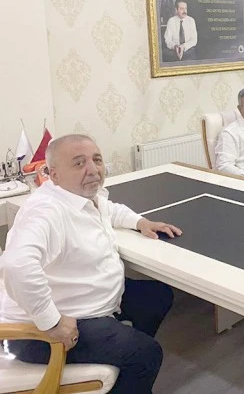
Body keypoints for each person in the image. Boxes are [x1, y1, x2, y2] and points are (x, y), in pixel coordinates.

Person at [1, 134, 182, 394]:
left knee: (157, 297)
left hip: (94, 304)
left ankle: (120, 366)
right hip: (44, 332)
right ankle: (130, 362)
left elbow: (111, 209)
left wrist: (141, 222)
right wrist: (52, 322)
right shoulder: (46, 211)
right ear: (54, 175)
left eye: (96, 160)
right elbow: (17, 266)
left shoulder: (84, 197)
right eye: (79, 163)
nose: (93, 169)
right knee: (146, 354)